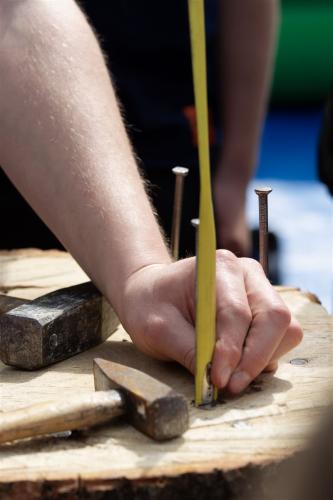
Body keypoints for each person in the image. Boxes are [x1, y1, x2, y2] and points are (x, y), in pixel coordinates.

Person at [0, 0, 302, 394]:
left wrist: (139, 273)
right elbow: (16, 13)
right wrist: (139, 272)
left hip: (167, 131)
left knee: (195, 305)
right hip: (21, 159)